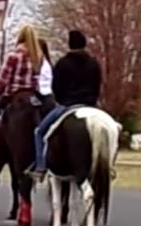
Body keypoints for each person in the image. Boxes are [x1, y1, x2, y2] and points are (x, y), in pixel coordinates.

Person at [29, 30, 103, 177]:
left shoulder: (63, 64)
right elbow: (97, 84)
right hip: (90, 104)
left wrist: (62, 100)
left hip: (68, 105)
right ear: (84, 43)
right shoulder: (94, 63)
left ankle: (40, 166)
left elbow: (55, 87)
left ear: (70, 45)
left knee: (39, 132)